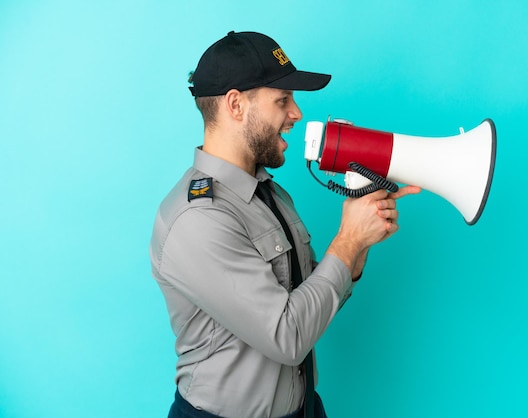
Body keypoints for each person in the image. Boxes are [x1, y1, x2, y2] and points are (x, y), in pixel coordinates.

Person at [149, 31, 421, 418]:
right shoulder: (198, 218)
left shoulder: (270, 194)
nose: (296, 114)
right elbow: (288, 335)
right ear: (235, 105)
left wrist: (358, 246)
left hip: (305, 409)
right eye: (282, 100)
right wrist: (346, 241)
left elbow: (310, 303)